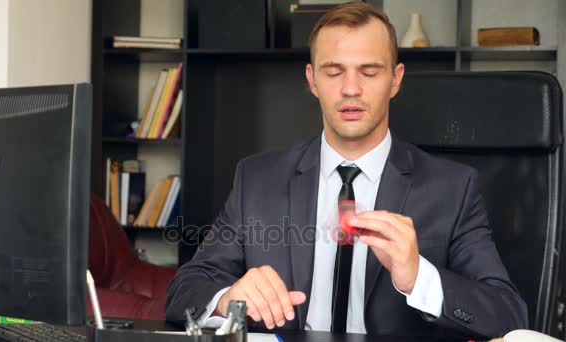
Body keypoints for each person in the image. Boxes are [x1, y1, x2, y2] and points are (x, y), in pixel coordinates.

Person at [165, 1, 527, 338]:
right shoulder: (257, 179)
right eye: (334, 72)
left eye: (369, 72)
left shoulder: (452, 188)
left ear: (396, 80)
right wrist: (228, 298)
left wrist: (420, 277)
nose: (351, 89)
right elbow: (185, 290)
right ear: (312, 80)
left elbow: (510, 315)